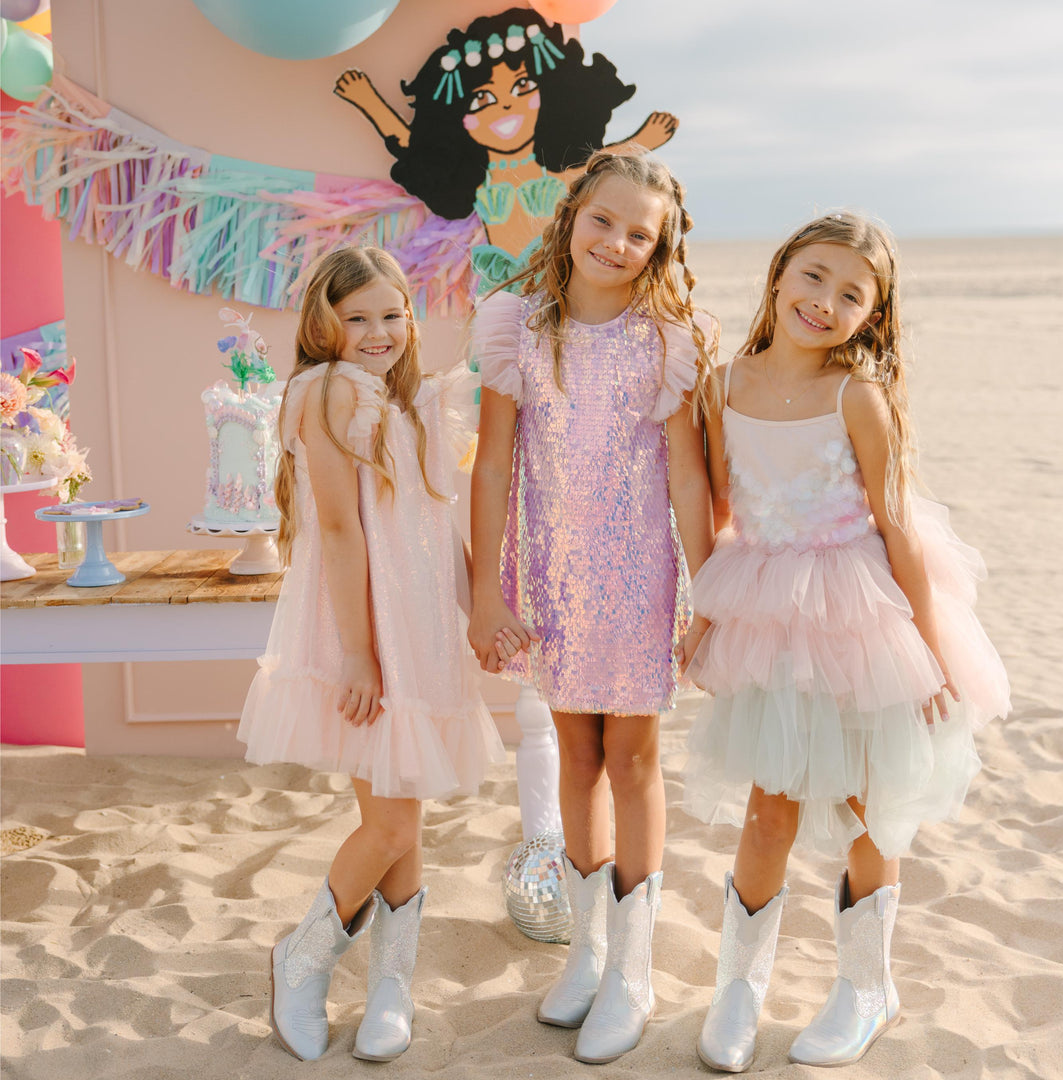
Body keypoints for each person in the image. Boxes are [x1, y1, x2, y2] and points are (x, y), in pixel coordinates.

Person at [681, 214, 1011, 1071]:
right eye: (815, 277)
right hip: (769, 611)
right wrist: (709, 615)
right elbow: (722, 511)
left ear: (874, 313)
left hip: (860, 615)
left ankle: (867, 988)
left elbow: (898, 530)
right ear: (781, 273)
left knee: (872, 806)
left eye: (851, 294)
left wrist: (931, 653)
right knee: (768, 810)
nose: (825, 302)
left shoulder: (856, 395)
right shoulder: (724, 385)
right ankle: (738, 988)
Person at [469, 149, 716, 1063]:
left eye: (639, 234)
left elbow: (688, 476)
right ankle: (590, 950)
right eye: (604, 220)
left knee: (633, 755)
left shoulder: (668, 340)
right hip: (556, 579)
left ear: (659, 249)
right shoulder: (518, 328)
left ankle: (636, 971)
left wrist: (711, 592)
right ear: (572, 215)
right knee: (574, 751)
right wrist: (486, 589)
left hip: (641, 576)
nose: (617, 242)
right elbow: (493, 463)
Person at [237, 246, 504, 1062]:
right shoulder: (324, 394)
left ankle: (393, 984)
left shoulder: (415, 401)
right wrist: (359, 655)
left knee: (405, 808)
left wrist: (477, 610)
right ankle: (303, 955)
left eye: (392, 314)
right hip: (367, 629)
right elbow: (345, 530)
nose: (378, 331)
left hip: (420, 631)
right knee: (389, 822)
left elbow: (430, 526)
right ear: (324, 325)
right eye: (356, 318)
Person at [333, 7, 677, 293]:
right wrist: (370, 103)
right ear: (457, 118)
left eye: (522, 86)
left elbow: (601, 162)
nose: (506, 107)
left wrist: (644, 139)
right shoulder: (478, 180)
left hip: (558, 285)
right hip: (500, 286)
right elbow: (415, 145)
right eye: (483, 98)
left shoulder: (558, 174)